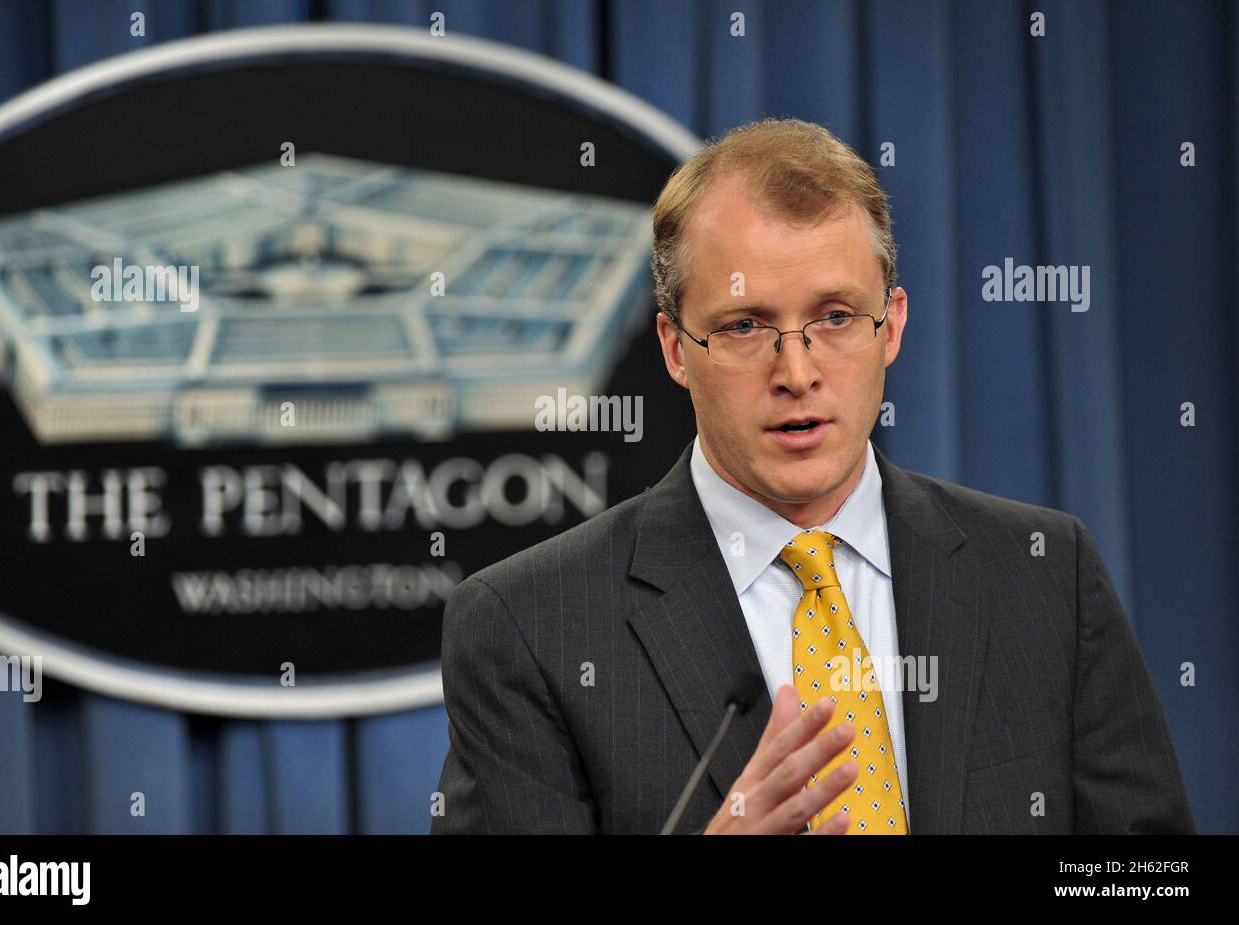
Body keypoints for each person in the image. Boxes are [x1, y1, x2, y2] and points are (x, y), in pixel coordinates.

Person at [430, 118, 1195, 835]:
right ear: (674, 347)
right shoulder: (531, 625)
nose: (796, 372)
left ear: (892, 325)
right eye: (744, 325)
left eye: (834, 317)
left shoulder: (1043, 573)